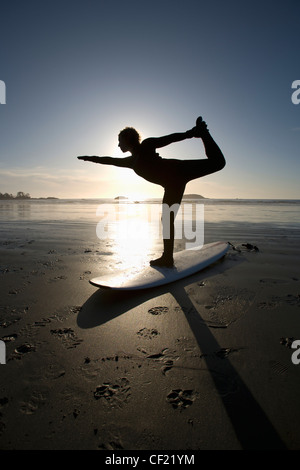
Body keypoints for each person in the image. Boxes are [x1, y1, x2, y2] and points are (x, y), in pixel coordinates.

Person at [77, 117, 226, 267]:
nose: (118, 144)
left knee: (218, 163)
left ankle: (203, 132)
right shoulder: (131, 161)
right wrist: (90, 158)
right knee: (167, 220)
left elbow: (169, 139)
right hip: (172, 184)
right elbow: (109, 160)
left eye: (119, 141)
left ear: (128, 138)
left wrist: (190, 133)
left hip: (178, 169)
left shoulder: (146, 145)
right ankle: (167, 258)